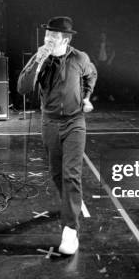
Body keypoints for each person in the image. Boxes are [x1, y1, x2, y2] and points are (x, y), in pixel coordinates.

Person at [17, 16, 97, 255]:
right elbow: (23, 87)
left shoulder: (79, 58)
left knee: (72, 175)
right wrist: (38, 61)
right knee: (57, 173)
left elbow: (91, 75)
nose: (48, 40)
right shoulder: (41, 59)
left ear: (65, 38)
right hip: (49, 123)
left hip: (74, 122)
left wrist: (86, 97)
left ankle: (70, 231)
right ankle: (72, 202)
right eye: (46, 36)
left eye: (53, 37)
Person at [91, 32, 116, 102]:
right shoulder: (96, 44)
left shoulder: (109, 44)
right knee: (98, 79)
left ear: (106, 37)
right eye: (101, 36)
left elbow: (113, 52)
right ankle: (96, 95)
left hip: (107, 63)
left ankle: (109, 95)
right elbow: (92, 53)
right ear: (100, 37)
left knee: (108, 80)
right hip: (99, 63)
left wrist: (110, 60)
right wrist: (95, 61)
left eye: (104, 36)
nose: (102, 37)